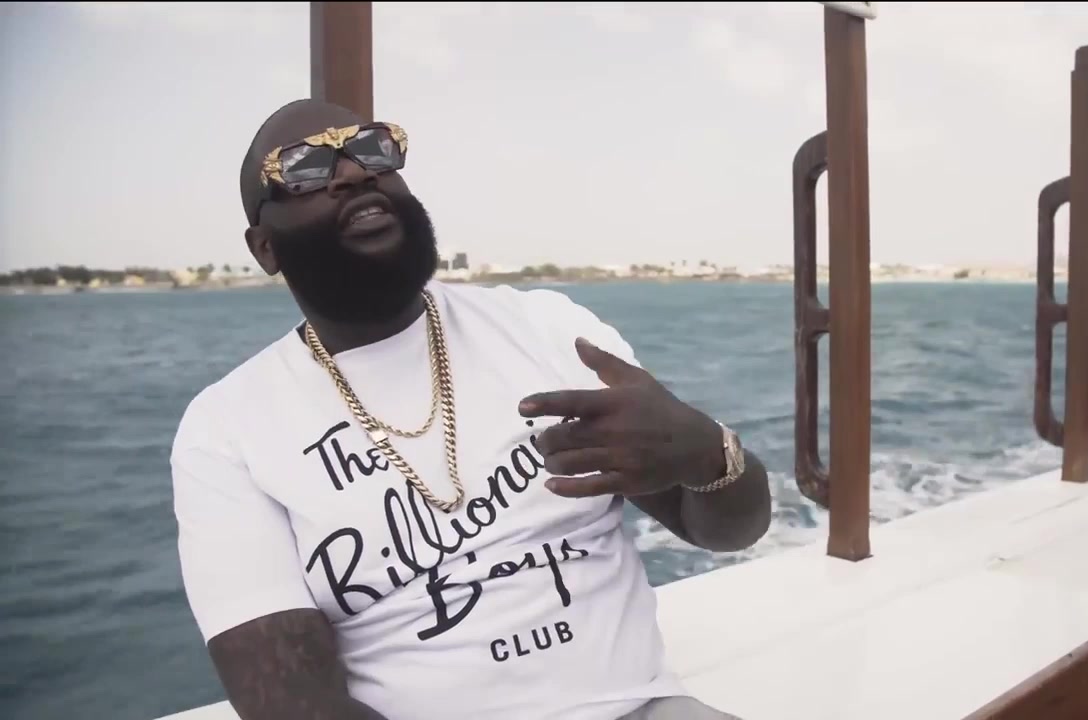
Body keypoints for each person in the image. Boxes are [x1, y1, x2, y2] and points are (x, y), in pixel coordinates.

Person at [169, 98, 773, 720]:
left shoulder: (549, 329)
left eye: (371, 148)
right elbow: (291, 704)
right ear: (265, 247)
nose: (352, 172)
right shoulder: (227, 430)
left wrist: (709, 453)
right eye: (303, 167)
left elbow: (732, 531)